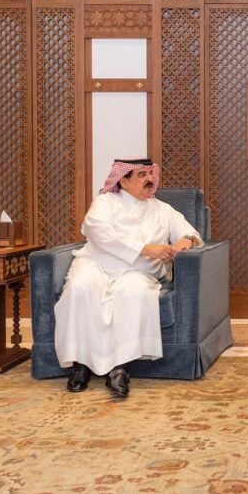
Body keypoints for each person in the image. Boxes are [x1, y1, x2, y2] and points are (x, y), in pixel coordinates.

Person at [54, 158, 203, 398]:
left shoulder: (161, 209)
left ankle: (119, 369)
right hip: (96, 264)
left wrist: (184, 242)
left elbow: (191, 233)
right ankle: (80, 365)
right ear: (123, 180)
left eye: (150, 174)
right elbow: (97, 231)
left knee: (134, 292)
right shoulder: (105, 202)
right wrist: (146, 248)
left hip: (139, 271)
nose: (150, 179)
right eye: (142, 175)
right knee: (80, 288)